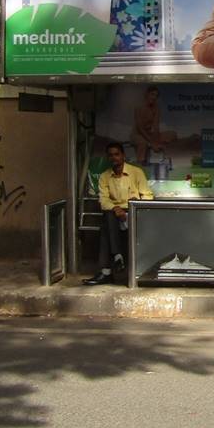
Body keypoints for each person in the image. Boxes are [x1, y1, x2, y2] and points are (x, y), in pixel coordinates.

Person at [85, 141, 154, 284]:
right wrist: (115, 208)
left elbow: (148, 196)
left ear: (123, 156)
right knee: (108, 219)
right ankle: (117, 256)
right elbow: (103, 200)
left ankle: (107, 270)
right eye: (110, 155)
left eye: (117, 154)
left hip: (134, 213)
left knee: (106, 226)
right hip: (115, 214)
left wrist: (136, 203)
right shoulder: (105, 176)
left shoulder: (136, 172)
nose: (114, 158)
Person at [131, 85, 177, 165]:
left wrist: (156, 141)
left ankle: (165, 160)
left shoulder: (156, 108)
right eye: (152, 94)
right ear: (147, 94)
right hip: (138, 134)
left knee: (172, 134)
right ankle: (140, 164)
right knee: (143, 143)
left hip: (150, 135)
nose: (154, 97)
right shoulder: (138, 107)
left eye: (156, 95)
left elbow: (156, 126)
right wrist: (152, 143)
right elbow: (140, 128)